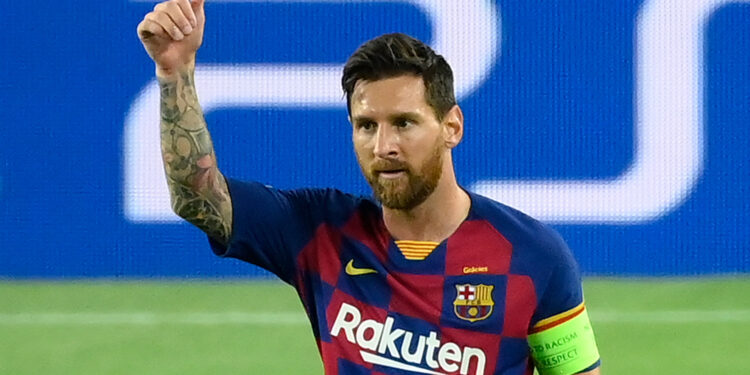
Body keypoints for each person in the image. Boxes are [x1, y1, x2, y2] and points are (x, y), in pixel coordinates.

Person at [137, 1, 602, 374]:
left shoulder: (534, 256)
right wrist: (175, 73)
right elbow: (196, 197)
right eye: (366, 126)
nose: (384, 146)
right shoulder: (319, 232)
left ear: (452, 126)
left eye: (404, 123)